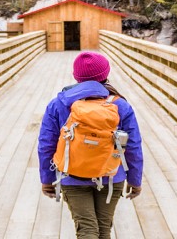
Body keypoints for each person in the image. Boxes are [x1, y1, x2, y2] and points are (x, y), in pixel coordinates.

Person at [39, 51, 144, 239]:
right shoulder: (120, 105)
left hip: (72, 176)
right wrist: (134, 180)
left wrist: (47, 179)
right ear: (106, 74)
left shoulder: (58, 104)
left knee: (86, 230)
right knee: (103, 230)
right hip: (111, 176)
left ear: (76, 76)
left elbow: (46, 145)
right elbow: (133, 146)